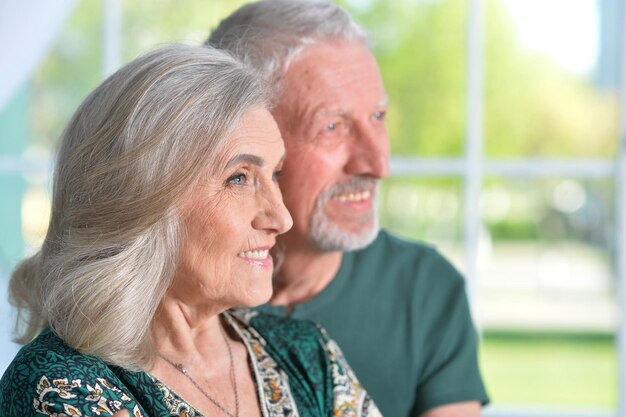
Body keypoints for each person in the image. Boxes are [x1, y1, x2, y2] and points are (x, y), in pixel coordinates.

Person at [0, 44, 382, 417]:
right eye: (239, 178)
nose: (281, 218)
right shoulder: (62, 386)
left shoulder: (308, 355)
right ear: (141, 198)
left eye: (275, 174)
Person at [207, 1, 490, 416]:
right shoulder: (168, 301)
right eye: (332, 127)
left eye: (378, 116)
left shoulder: (427, 290)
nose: (378, 165)